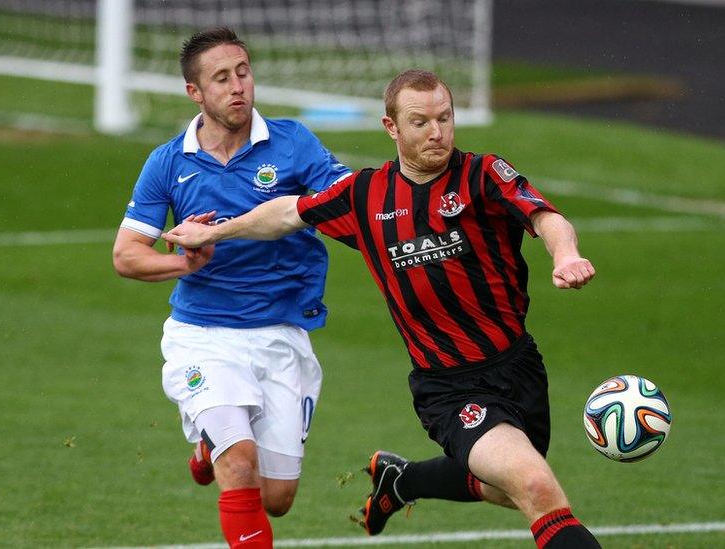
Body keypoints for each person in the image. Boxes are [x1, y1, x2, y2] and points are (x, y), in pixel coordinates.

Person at [162, 69, 601, 548]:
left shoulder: (483, 174)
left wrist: (567, 255)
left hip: (518, 367)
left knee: (507, 488)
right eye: (420, 122)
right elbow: (288, 211)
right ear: (391, 128)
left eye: (444, 118)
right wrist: (215, 231)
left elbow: (544, 215)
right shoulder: (366, 195)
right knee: (537, 487)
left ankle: (401, 481)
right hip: (448, 387)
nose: (437, 133)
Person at [111, 27, 351, 548]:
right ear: (195, 93)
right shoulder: (169, 163)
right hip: (203, 337)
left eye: (243, 72)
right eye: (221, 78)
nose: (238, 86)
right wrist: (184, 265)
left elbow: (345, 199)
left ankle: (205, 446)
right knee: (239, 462)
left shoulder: (293, 143)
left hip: (282, 336)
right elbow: (126, 256)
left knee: (277, 497)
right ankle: (218, 439)